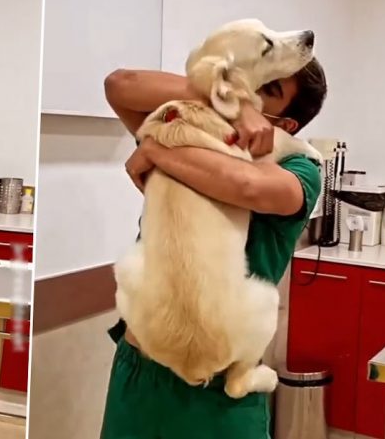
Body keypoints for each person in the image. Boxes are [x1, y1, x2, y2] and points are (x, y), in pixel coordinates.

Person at [99, 58, 327, 438]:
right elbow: (120, 84)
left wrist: (157, 152)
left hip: (223, 391)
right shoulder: (188, 130)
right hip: (141, 370)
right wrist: (233, 105)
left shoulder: (301, 169)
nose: (247, 89)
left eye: (268, 90)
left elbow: (248, 186)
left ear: (286, 125)